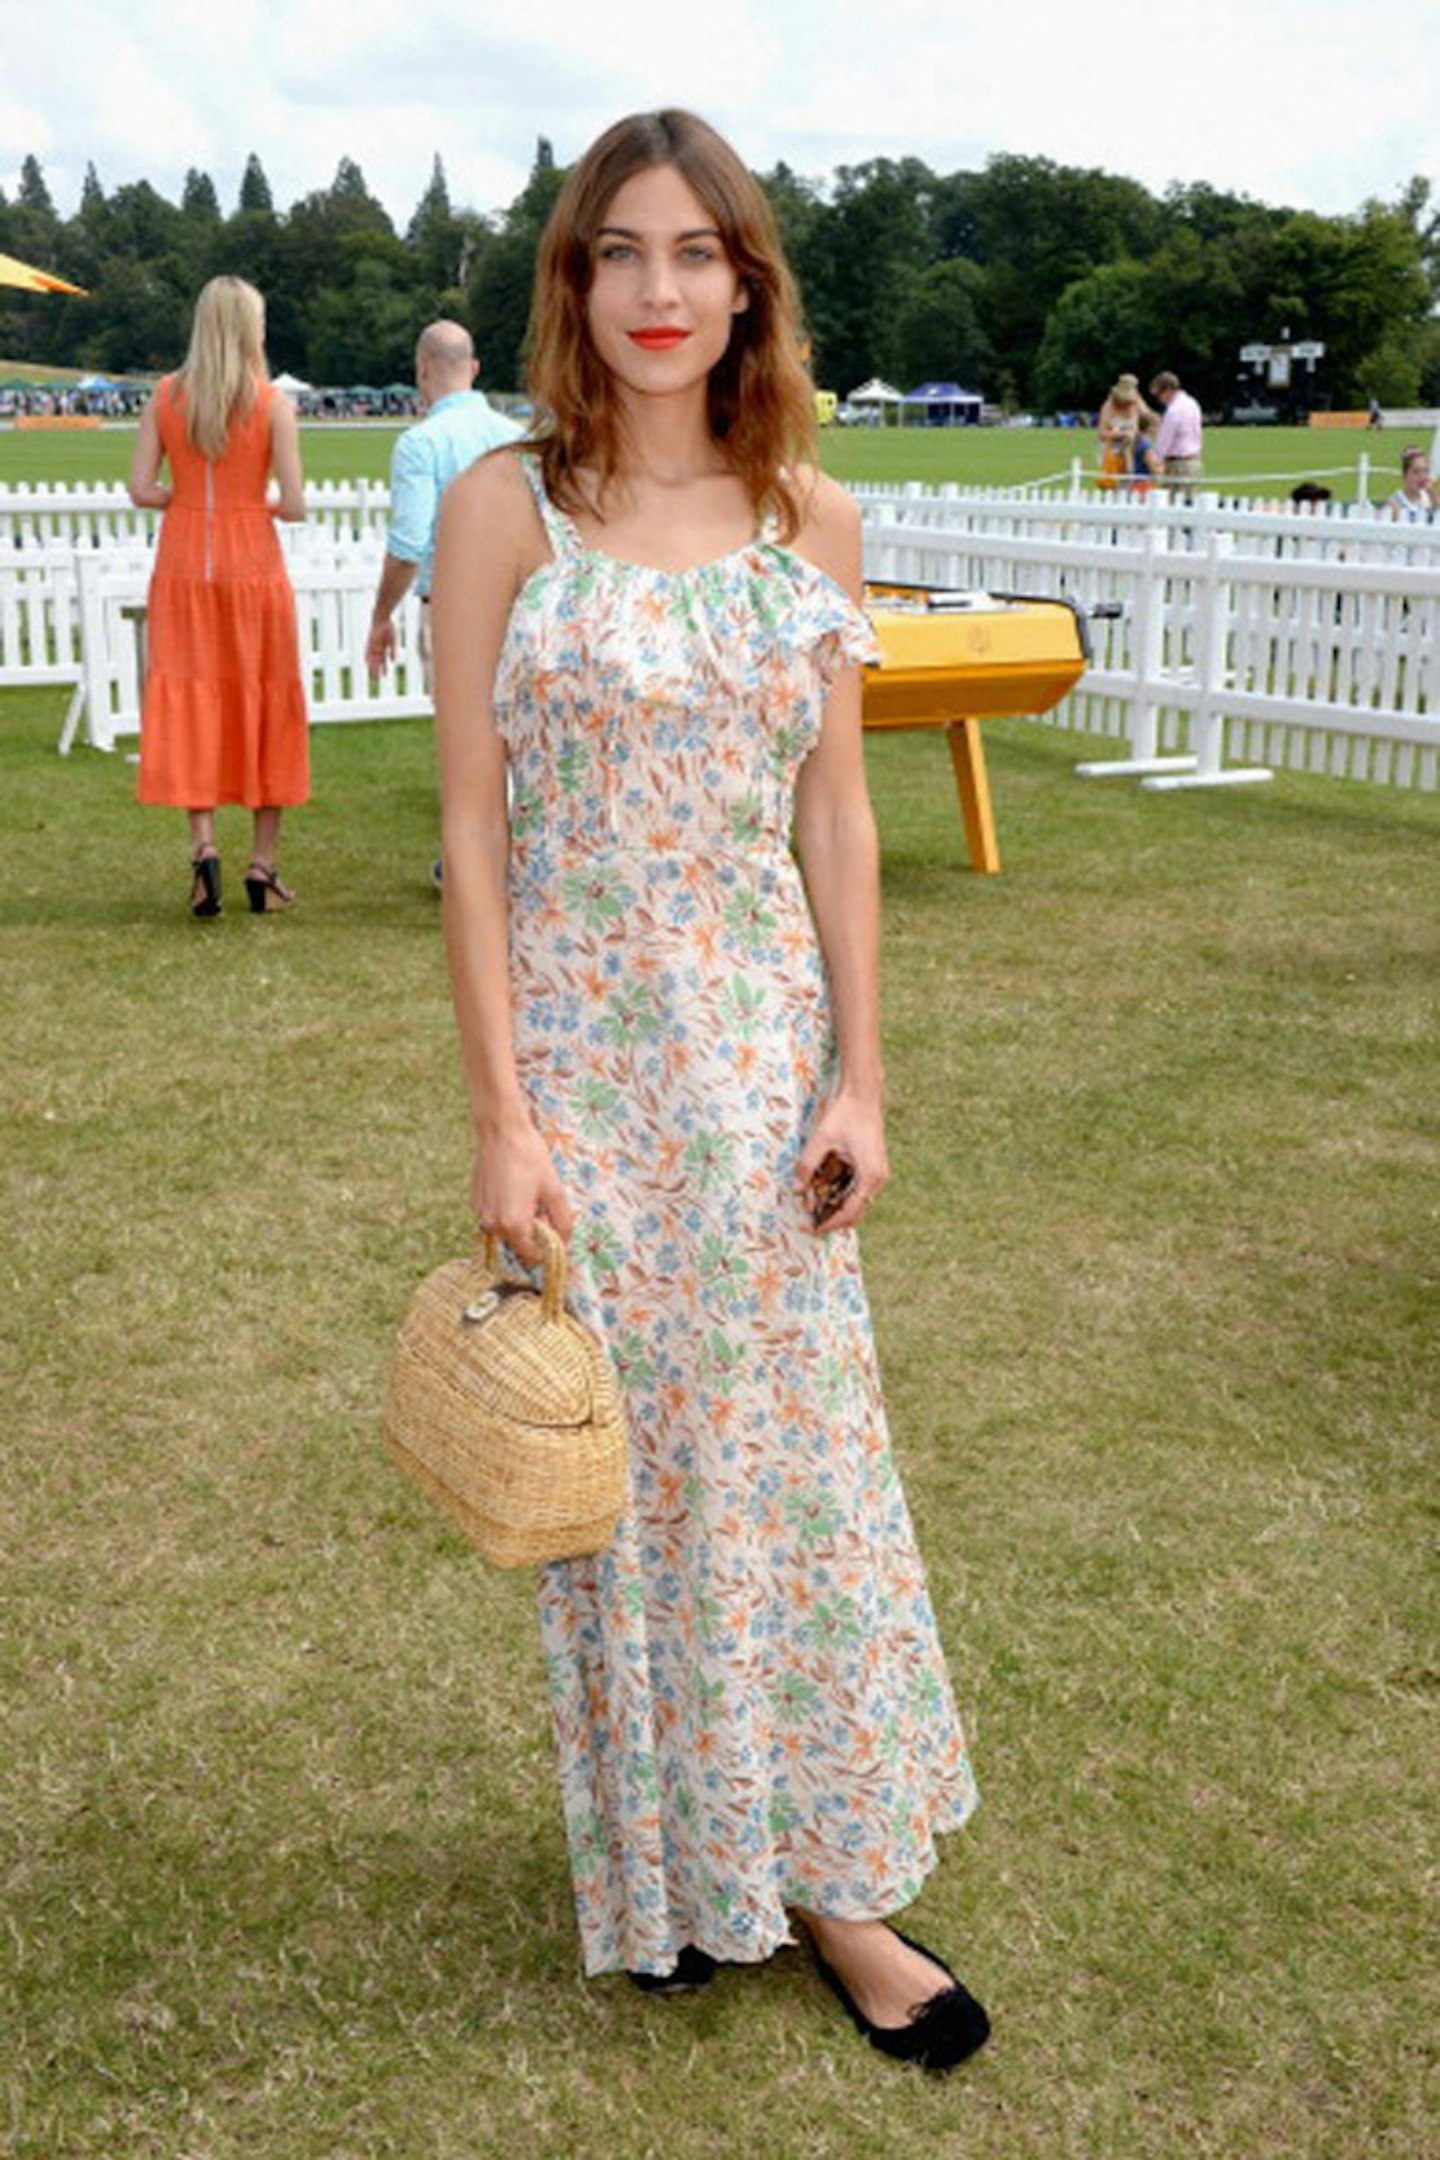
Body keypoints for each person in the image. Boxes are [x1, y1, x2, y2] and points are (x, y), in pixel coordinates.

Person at [429, 108, 985, 2073]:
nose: (659, 291)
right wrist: (503, 1114)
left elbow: (838, 817)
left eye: (697, 252)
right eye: (620, 253)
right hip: (587, 1080)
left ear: (749, 281)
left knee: (792, 1485)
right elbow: (474, 832)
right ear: (575, 283)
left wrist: (864, 1079)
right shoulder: (507, 504)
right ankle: (672, 1876)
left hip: (759, 1077)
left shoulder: (808, 518)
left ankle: (834, 1885)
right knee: (621, 1483)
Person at [128, 276, 308, 916]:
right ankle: (263, 864)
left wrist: (191, 502)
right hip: (251, 564)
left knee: (191, 698)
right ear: (248, 328)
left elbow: (141, 488)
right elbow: (295, 504)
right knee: (265, 697)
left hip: (182, 562)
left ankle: (204, 849)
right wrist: (245, 504)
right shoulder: (271, 405)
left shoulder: (167, 396)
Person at [363, 320, 522, 693]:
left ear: (422, 367)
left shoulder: (420, 444)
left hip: (452, 609)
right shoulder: (518, 437)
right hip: (516, 608)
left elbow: (408, 547)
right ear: (474, 369)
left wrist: (381, 616)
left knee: (463, 743)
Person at [1149, 369, 1204, 484]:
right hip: (1194, 460)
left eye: (1160, 394)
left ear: (1168, 390)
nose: (1160, 399)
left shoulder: (1173, 411)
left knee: (1173, 500)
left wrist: (1154, 462)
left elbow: (1164, 441)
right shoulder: (1192, 403)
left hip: (1177, 464)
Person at [1386, 446, 1437, 522]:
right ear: (1404, 474)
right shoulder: (1394, 504)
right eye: (1416, 472)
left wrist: (1432, 494)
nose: (1422, 477)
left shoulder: (1430, 500)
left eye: (1425, 471)